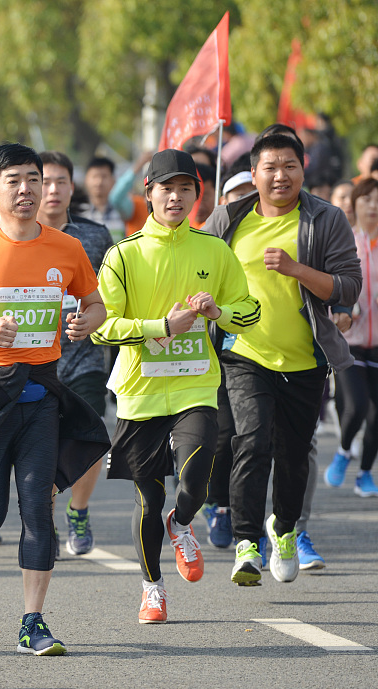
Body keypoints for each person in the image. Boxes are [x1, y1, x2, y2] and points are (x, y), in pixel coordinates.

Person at [0, 143, 108, 656]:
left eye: (34, 179)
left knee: (38, 508)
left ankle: (33, 622)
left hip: (41, 395)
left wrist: (85, 322)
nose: (28, 189)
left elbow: (95, 303)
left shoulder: (66, 248)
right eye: (14, 180)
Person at [92, 149, 260, 622]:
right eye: (167, 188)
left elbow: (250, 312)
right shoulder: (123, 255)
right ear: (148, 192)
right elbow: (102, 327)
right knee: (149, 498)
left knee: (195, 477)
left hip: (195, 385)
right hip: (140, 390)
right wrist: (160, 326)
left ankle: (182, 523)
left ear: (197, 195)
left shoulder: (214, 250)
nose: (176, 197)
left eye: (186, 189)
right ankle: (152, 588)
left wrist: (218, 313)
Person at [203, 132, 361, 585]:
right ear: (253, 174)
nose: (280, 176)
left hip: (305, 358)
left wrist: (296, 269)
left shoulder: (325, 218)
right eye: (270, 167)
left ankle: (285, 529)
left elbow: (349, 286)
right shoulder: (227, 219)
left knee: (293, 455)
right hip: (243, 353)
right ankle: (247, 543)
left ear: (302, 169)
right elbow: (197, 270)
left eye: (289, 166)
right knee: (251, 442)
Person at [37, 151, 116, 556]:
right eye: (44, 181)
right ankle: (44, 520)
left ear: (73, 187)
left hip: (84, 357)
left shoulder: (96, 236)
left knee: (90, 435)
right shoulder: (15, 237)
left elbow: (110, 295)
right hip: (34, 362)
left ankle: (79, 510)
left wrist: (94, 318)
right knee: (42, 447)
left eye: (61, 181)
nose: (52, 190)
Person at [324, 177, 378, 498]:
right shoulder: (347, 243)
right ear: (355, 205)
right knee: (356, 406)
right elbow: (331, 285)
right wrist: (341, 310)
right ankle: (344, 450)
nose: (373, 206)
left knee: (377, 416)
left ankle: (365, 473)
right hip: (349, 342)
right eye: (367, 199)